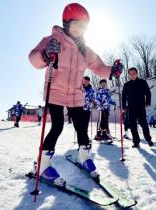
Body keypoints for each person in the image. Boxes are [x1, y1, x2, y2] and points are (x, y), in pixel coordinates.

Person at [29, 3, 123, 186]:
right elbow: (34, 58)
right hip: (55, 92)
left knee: (81, 126)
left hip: (75, 94)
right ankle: (43, 164)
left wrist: (113, 71)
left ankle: (84, 157)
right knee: (57, 126)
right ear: (66, 23)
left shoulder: (85, 50)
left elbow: (99, 67)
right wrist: (46, 54)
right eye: (76, 24)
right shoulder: (52, 40)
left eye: (83, 26)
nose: (80, 29)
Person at [122, 67, 154, 148]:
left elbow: (148, 93)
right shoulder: (126, 85)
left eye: (134, 73)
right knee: (133, 125)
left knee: (144, 124)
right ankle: (136, 142)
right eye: (130, 74)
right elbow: (123, 97)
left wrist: (147, 102)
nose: (132, 75)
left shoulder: (142, 82)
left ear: (137, 73)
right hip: (131, 107)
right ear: (129, 75)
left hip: (141, 106)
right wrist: (124, 106)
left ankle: (148, 139)